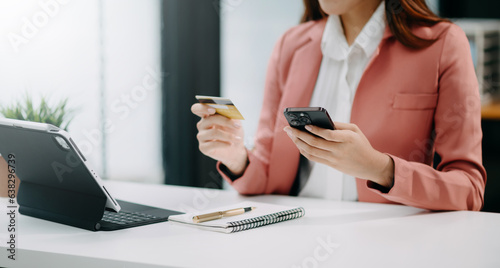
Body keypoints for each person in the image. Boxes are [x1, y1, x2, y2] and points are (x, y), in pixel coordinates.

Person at [191, 0, 486, 211]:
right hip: (289, 239)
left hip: (391, 245)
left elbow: (469, 190)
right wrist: (236, 157)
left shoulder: (444, 44)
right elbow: (267, 178)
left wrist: (379, 168)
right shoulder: (291, 45)